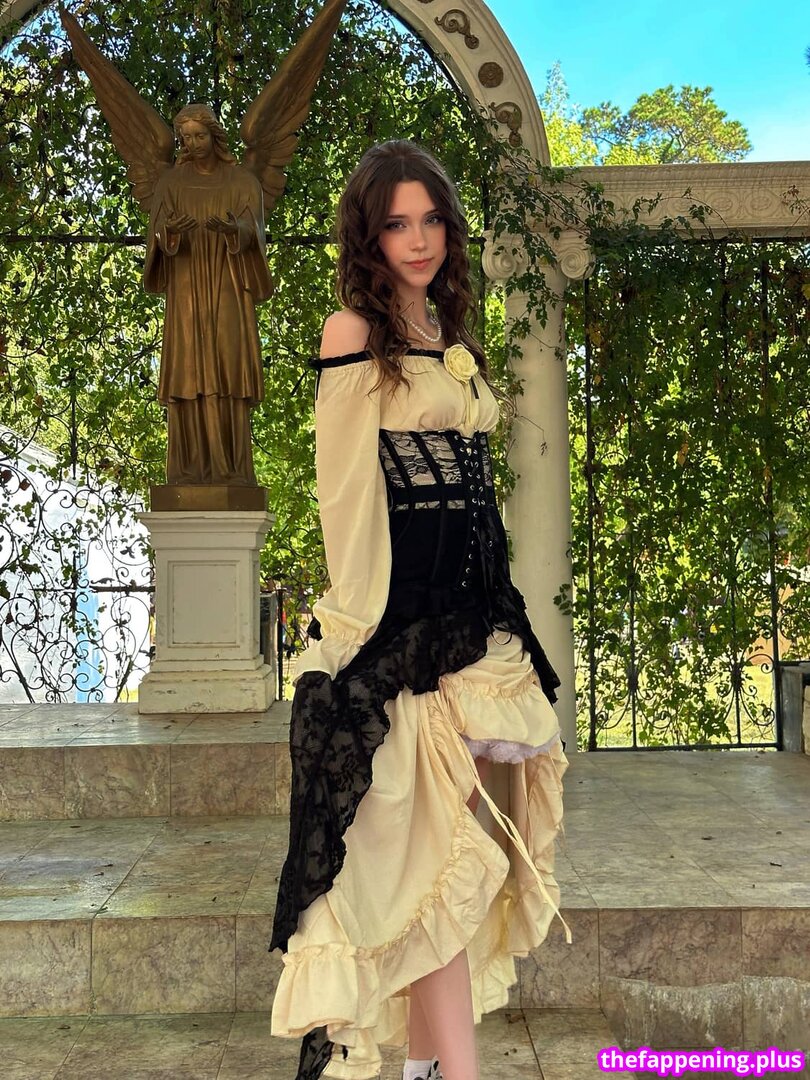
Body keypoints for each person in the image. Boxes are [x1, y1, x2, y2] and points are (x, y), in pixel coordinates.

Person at [269, 140, 570, 1080]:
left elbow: (476, 502)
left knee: (455, 864)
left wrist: (500, 611)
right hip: (404, 632)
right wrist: (363, 636)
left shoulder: (447, 328)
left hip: (476, 622)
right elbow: (347, 495)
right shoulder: (351, 333)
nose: (419, 238)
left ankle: (430, 1069)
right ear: (369, 234)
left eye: (432, 218)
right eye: (397, 222)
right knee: (435, 865)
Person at [144, 104, 273, 485]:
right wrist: (170, 234)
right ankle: (188, 469)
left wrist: (236, 231)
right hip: (186, 289)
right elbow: (157, 233)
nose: (193, 144)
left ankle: (232, 468)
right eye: (186, 138)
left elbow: (255, 229)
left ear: (215, 136)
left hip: (228, 285)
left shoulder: (241, 181)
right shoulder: (171, 183)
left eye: (200, 136)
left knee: (227, 366)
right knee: (188, 371)